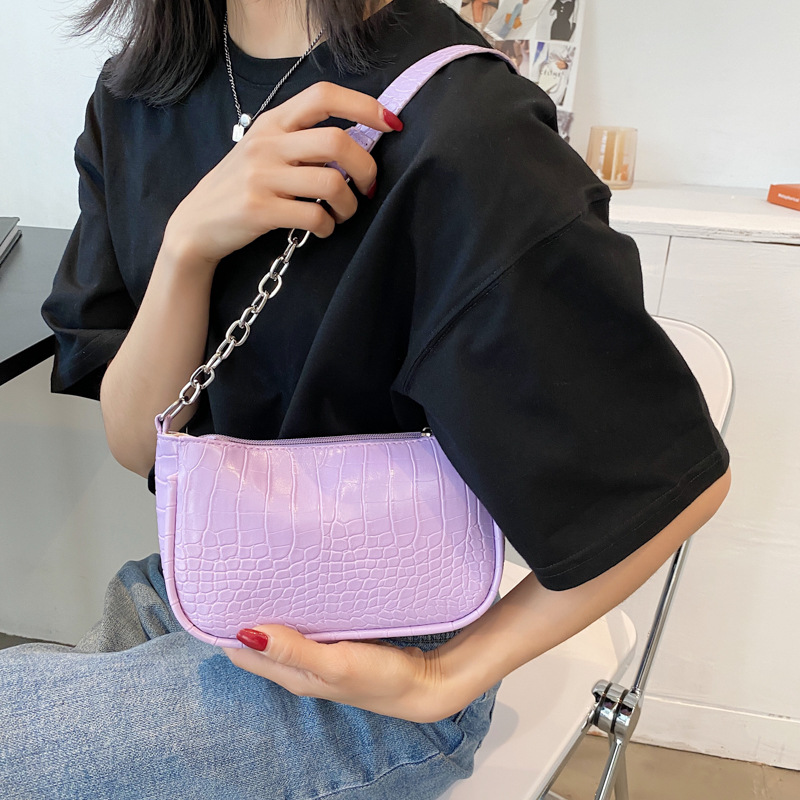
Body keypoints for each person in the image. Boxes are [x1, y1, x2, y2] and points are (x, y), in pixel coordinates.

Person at [0, 0, 731, 797]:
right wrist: (188, 248)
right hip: (199, 593)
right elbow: (139, 444)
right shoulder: (135, 98)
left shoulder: (460, 122)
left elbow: (668, 481)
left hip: (374, 663)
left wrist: (444, 678)